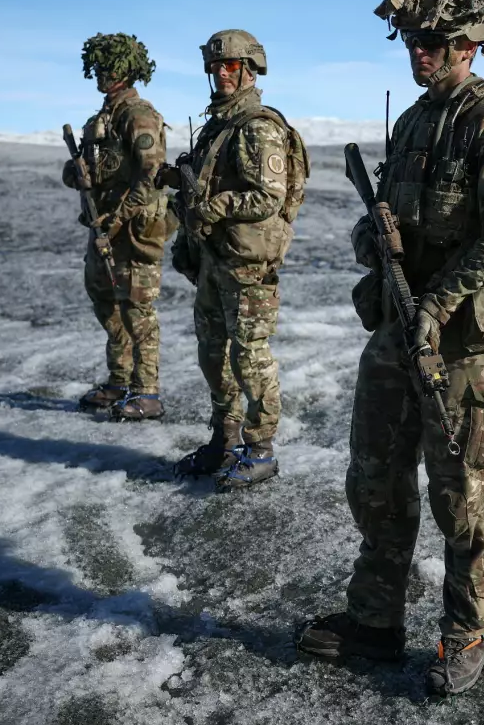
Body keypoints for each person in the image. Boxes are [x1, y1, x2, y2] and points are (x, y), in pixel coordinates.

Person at [295, 0, 484, 697]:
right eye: (411, 41)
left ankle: (468, 630)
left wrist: (439, 299)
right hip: (398, 332)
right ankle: (374, 620)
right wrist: (376, 239)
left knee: (463, 499)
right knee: (376, 480)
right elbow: (395, 219)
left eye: (432, 42)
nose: (418, 54)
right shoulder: (411, 123)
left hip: (464, 345)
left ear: (470, 45)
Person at [170, 30, 308, 491]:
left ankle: (261, 448)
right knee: (212, 354)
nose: (221, 74)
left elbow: (266, 197)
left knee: (250, 357)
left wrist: (212, 206)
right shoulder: (218, 126)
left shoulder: (258, 126)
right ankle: (224, 439)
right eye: (216, 67)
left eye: (230, 66)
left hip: (247, 265)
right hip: (214, 260)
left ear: (250, 69)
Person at [65, 32, 170, 421]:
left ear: (128, 70)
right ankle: (120, 379)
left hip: (133, 231)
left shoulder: (137, 115)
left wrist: (118, 219)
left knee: (138, 309)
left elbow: (151, 174)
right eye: (99, 67)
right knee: (105, 302)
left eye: (111, 67)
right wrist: (76, 174)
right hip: (102, 227)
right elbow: (93, 169)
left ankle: (148, 391)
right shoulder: (101, 119)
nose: (103, 74)